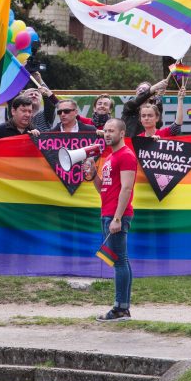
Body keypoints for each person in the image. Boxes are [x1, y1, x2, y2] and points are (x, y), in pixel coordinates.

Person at [83, 118, 136, 322]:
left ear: (122, 133)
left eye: (111, 130)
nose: (106, 134)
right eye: (105, 131)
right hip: (108, 212)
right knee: (121, 260)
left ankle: (120, 309)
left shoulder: (126, 156)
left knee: (119, 261)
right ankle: (122, 307)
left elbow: (127, 188)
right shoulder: (111, 157)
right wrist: (93, 173)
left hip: (115, 214)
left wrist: (117, 218)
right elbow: (102, 188)